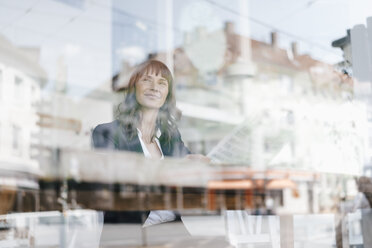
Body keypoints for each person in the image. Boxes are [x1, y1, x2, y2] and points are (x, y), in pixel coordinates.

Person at [92, 59, 208, 224]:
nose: (154, 88)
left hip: (173, 230)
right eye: (147, 80)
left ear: (167, 94)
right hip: (132, 234)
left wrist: (195, 166)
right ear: (134, 87)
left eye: (162, 83)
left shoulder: (171, 138)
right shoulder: (107, 133)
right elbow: (115, 190)